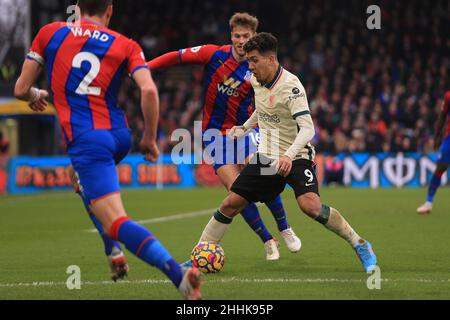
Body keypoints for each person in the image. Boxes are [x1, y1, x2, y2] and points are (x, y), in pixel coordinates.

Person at [14, 0, 201, 299]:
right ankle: (113, 251)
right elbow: (150, 90)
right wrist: (150, 139)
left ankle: (179, 277)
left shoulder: (50, 33)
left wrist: (38, 94)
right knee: (81, 182)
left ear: (76, 7)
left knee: (116, 221)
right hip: (119, 135)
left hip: (88, 140)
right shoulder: (125, 44)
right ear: (109, 10)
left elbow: (21, 89)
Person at [195, 32, 377, 272]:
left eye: (254, 60)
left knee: (310, 206)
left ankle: (360, 244)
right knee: (232, 202)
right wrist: (245, 127)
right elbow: (262, 109)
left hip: (297, 155)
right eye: (248, 60)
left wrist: (288, 156)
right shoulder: (256, 80)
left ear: (271, 59)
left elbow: (308, 129)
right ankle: (200, 253)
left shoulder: (291, 87)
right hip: (267, 155)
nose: (249, 66)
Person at [148, 13, 300, 261]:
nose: (241, 40)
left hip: (247, 129)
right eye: (237, 36)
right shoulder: (213, 55)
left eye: (247, 36)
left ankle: (284, 227)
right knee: (237, 191)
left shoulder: (256, 66)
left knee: (262, 173)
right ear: (231, 36)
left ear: (254, 37)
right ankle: (267, 239)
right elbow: (177, 57)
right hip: (214, 134)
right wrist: (146, 68)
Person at [417, 91, 450, 214]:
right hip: (449, 138)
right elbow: (443, 116)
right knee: (441, 167)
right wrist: (437, 137)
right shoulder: (448, 96)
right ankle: (428, 203)